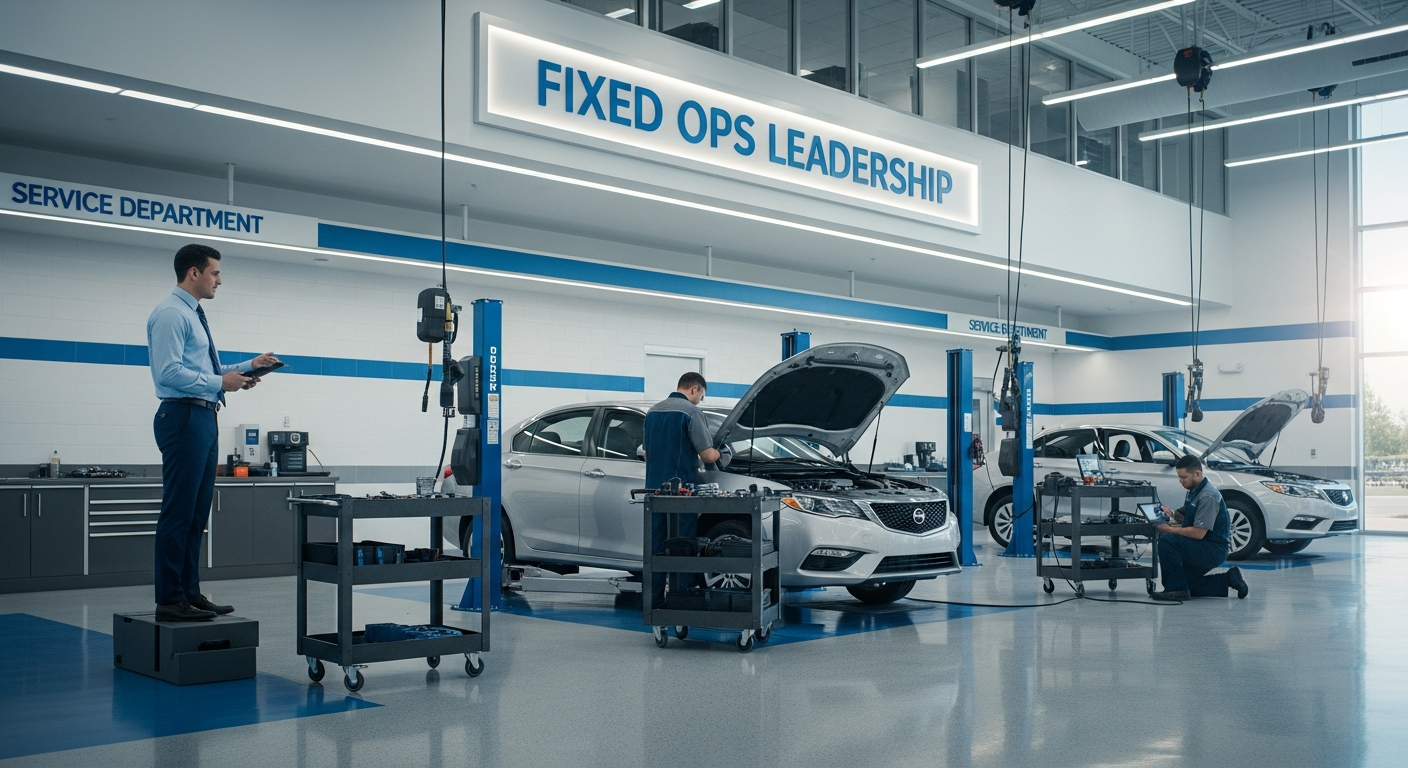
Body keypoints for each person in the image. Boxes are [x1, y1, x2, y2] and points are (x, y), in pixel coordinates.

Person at [147, 244, 279, 622]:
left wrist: (249, 367)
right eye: (215, 273)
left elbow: (206, 371)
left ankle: (189, 592)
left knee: (195, 512)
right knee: (179, 512)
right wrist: (221, 380)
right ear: (194, 273)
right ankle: (170, 598)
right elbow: (168, 373)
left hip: (202, 416)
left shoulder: (193, 314)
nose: (219, 280)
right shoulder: (172, 314)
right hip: (183, 416)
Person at [642, 372, 724, 609]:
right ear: (695, 389)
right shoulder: (691, 412)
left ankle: (653, 601)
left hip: (654, 492)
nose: (700, 400)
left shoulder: (653, 411)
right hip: (681, 493)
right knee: (682, 544)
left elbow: (647, 453)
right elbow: (707, 454)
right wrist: (723, 454)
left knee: (656, 547)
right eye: (701, 395)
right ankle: (681, 600)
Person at [1152, 454, 1250, 602]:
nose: (1181, 481)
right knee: (1185, 582)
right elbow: (1190, 520)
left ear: (1197, 474)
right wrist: (1171, 515)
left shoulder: (1208, 496)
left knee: (1167, 540)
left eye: (1183, 477)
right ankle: (1229, 579)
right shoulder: (1194, 491)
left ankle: (1175, 590)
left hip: (1213, 548)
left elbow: (1198, 533)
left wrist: (1170, 530)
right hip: (1203, 544)